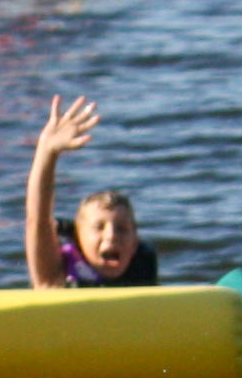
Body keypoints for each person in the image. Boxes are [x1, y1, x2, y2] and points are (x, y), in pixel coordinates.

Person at [22, 97, 159, 288]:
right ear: (77, 236)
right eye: (98, 227)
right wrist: (47, 152)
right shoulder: (54, 276)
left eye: (122, 229)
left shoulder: (143, 274)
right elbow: (37, 220)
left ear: (135, 242)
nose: (111, 236)